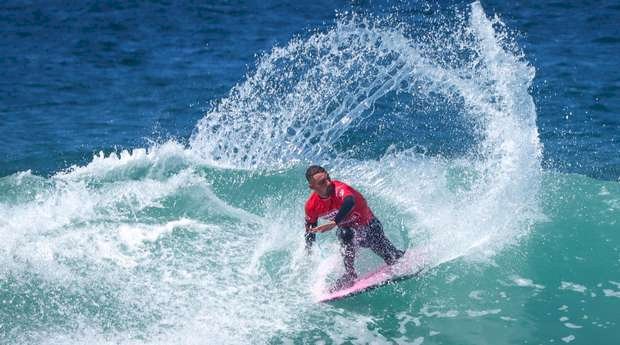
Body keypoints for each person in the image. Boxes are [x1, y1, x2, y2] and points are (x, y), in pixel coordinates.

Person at [303, 165, 404, 290]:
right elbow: (310, 230)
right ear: (312, 187)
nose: (328, 183)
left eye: (328, 178)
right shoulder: (311, 206)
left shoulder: (340, 188)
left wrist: (335, 222)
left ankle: (398, 256)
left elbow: (349, 201)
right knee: (345, 233)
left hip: (370, 227)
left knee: (392, 258)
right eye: (322, 182)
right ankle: (350, 274)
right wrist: (309, 250)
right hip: (350, 232)